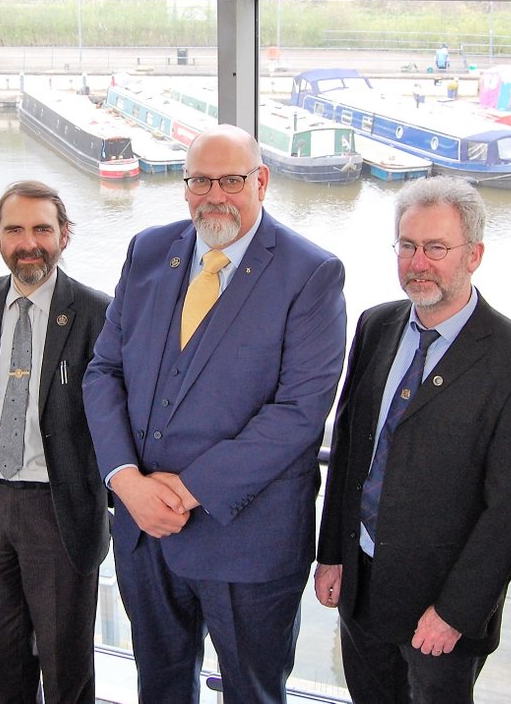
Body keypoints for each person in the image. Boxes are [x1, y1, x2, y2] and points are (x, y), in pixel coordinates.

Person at [83, 124, 348, 702]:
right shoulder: (148, 251)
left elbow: (300, 413)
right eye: (200, 180)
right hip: (142, 532)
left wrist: (185, 490)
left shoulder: (311, 274)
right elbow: (104, 372)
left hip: (247, 546)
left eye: (231, 180)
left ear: (262, 181)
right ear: (184, 186)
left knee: (252, 693)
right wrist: (126, 482)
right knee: (159, 686)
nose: (214, 195)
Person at [315, 175, 511, 704]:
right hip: (361, 586)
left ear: (474, 254)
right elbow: (353, 452)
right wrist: (331, 553)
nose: (417, 262)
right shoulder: (375, 326)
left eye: (436, 248)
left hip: (441, 610)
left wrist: (456, 612)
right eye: (407, 245)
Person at [0, 180, 110, 704]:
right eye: (14, 229)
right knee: (0, 655)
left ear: (65, 235)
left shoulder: (97, 312)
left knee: (66, 667)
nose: (29, 242)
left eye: (43, 228)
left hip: (59, 508)